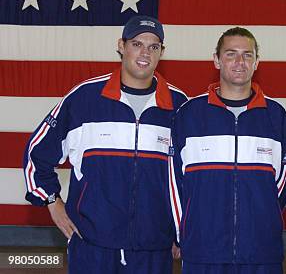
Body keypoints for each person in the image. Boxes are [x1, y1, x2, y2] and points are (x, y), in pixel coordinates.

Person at [23, 15, 188, 274]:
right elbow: (37, 153)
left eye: (154, 46)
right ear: (121, 46)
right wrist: (52, 201)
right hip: (92, 246)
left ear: (161, 53)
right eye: (137, 44)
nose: (145, 52)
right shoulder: (84, 99)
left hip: (154, 248)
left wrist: (181, 230)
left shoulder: (180, 107)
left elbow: (190, 177)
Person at [170, 27, 286, 274]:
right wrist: (183, 233)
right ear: (216, 59)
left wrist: (262, 219)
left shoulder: (275, 116)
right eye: (231, 54)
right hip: (203, 251)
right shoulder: (190, 115)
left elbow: (283, 183)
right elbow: (174, 181)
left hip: (261, 252)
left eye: (247, 55)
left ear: (257, 62)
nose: (239, 62)